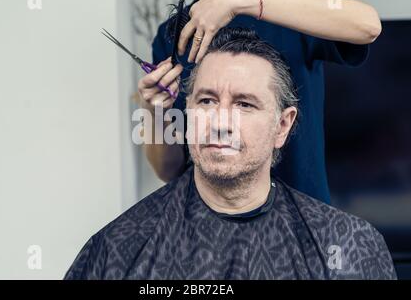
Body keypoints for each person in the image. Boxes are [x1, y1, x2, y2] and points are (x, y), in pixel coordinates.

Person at [65, 28, 396, 280]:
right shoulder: (118, 250)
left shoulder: (348, 245)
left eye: (244, 104)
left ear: (282, 126)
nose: (220, 122)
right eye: (207, 101)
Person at [141, 0, 382, 204]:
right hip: (208, 229)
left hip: (299, 221)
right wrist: (155, 110)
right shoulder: (171, 35)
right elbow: (169, 170)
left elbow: (367, 23)